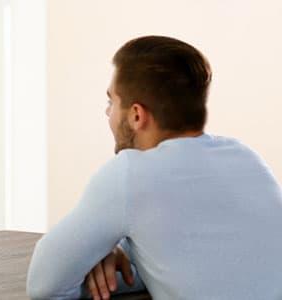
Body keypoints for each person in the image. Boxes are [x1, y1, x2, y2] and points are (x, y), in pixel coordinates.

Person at [27, 35, 282, 299]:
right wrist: (114, 254)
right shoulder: (245, 158)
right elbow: (181, 268)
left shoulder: (131, 173)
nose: (107, 114)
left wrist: (92, 259)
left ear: (136, 115)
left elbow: (44, 286)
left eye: (111, 102)